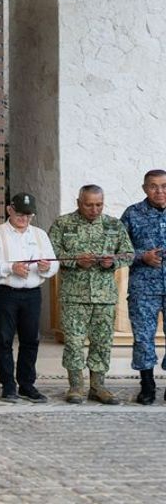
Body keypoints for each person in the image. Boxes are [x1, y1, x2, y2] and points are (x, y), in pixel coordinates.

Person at [49, 184, 133, 404]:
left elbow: (128, 254)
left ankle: (98, 386)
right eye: (89, 205)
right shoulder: (63, 223)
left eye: (99, 204)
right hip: (73, 296)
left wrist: (112, 261)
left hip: (104, 297)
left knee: (102, 342)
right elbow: (51, 253)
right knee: (74, 343)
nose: (94, 209)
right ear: (78, 203)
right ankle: (75, 386)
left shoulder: (113, 225)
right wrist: (75, 260)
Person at [0, 192, 57, 403]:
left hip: (32, 293)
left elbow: (54, 263)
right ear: (9, 210)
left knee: (31, 340)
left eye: (28, 214)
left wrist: (46, 267)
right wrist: (10, 268)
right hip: (4, 293)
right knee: (4, 340)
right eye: (19, 213)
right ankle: (7, 385)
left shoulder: (40, 235)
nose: (23, 218)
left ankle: (27, 384)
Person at [120, 169, 166, 405]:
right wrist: (142, 257)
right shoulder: (132, 214)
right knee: (143, 338)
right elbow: (119, 249)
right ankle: (147, 385)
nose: (159, 191)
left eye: (164, 186)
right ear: (144, 188)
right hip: (143, 288)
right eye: (153, 186)